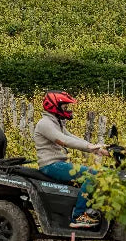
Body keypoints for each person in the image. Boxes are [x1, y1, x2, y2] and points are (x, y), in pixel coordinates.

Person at [33, 90, 109, 229]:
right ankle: (78, 216)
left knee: (102, 172)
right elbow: (64, 140)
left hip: (59, 164)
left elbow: (72, 137)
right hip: (51, 165)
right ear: (54, 107)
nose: (67, 109)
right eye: (64, 106)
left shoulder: (55, 122)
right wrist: (89, 146)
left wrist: (97, 149)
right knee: (93, 174)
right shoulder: (45, 124)